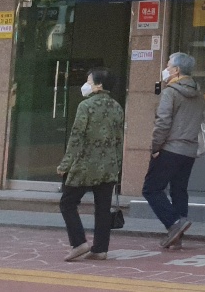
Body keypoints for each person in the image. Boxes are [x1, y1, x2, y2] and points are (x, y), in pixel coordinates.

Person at [57, 67, 124, 262]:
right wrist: (117, 165)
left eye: (88, 81)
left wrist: (65, 164)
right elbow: (119, 140)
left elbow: (76, 137)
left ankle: (79, 243)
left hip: (85, 165)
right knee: (102, 208)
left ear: (98, 85)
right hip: (109, 165)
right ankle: (100, 249)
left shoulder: (85, 106)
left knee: (67, 203)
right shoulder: (117, 107)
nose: (85, 85)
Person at [142, 52, 205, 248]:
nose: (166, 69)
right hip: (189, 150)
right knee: (179, 190)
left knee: (151, 189)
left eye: (168, 65)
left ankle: (174, 223)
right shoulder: (199, 94)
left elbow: (163, 122)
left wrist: (155, 147)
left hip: (170, 148)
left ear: (176, 70)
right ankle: (177, 235)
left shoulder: (170, 92)